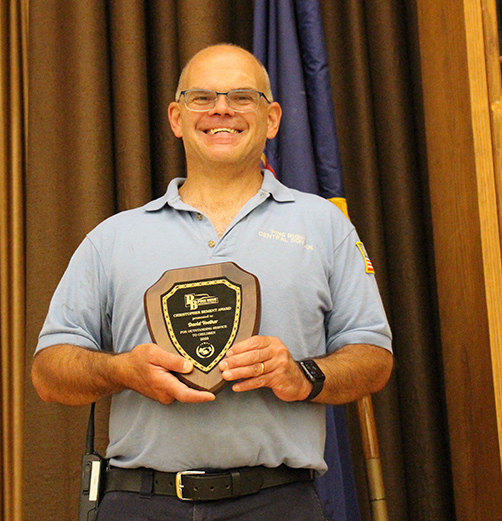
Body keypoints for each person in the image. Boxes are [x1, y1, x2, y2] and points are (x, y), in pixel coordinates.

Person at [32, 43, 393, 520]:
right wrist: (122, 371)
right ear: (177, 118)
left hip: (277, 503)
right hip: (141, 502)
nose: (221, 109)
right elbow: (49, 372)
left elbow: (374, 357)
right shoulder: (113, 237)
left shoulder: (323, 225)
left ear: (272, 119)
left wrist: (301, 376)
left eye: (242, 97)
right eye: (202, 98)